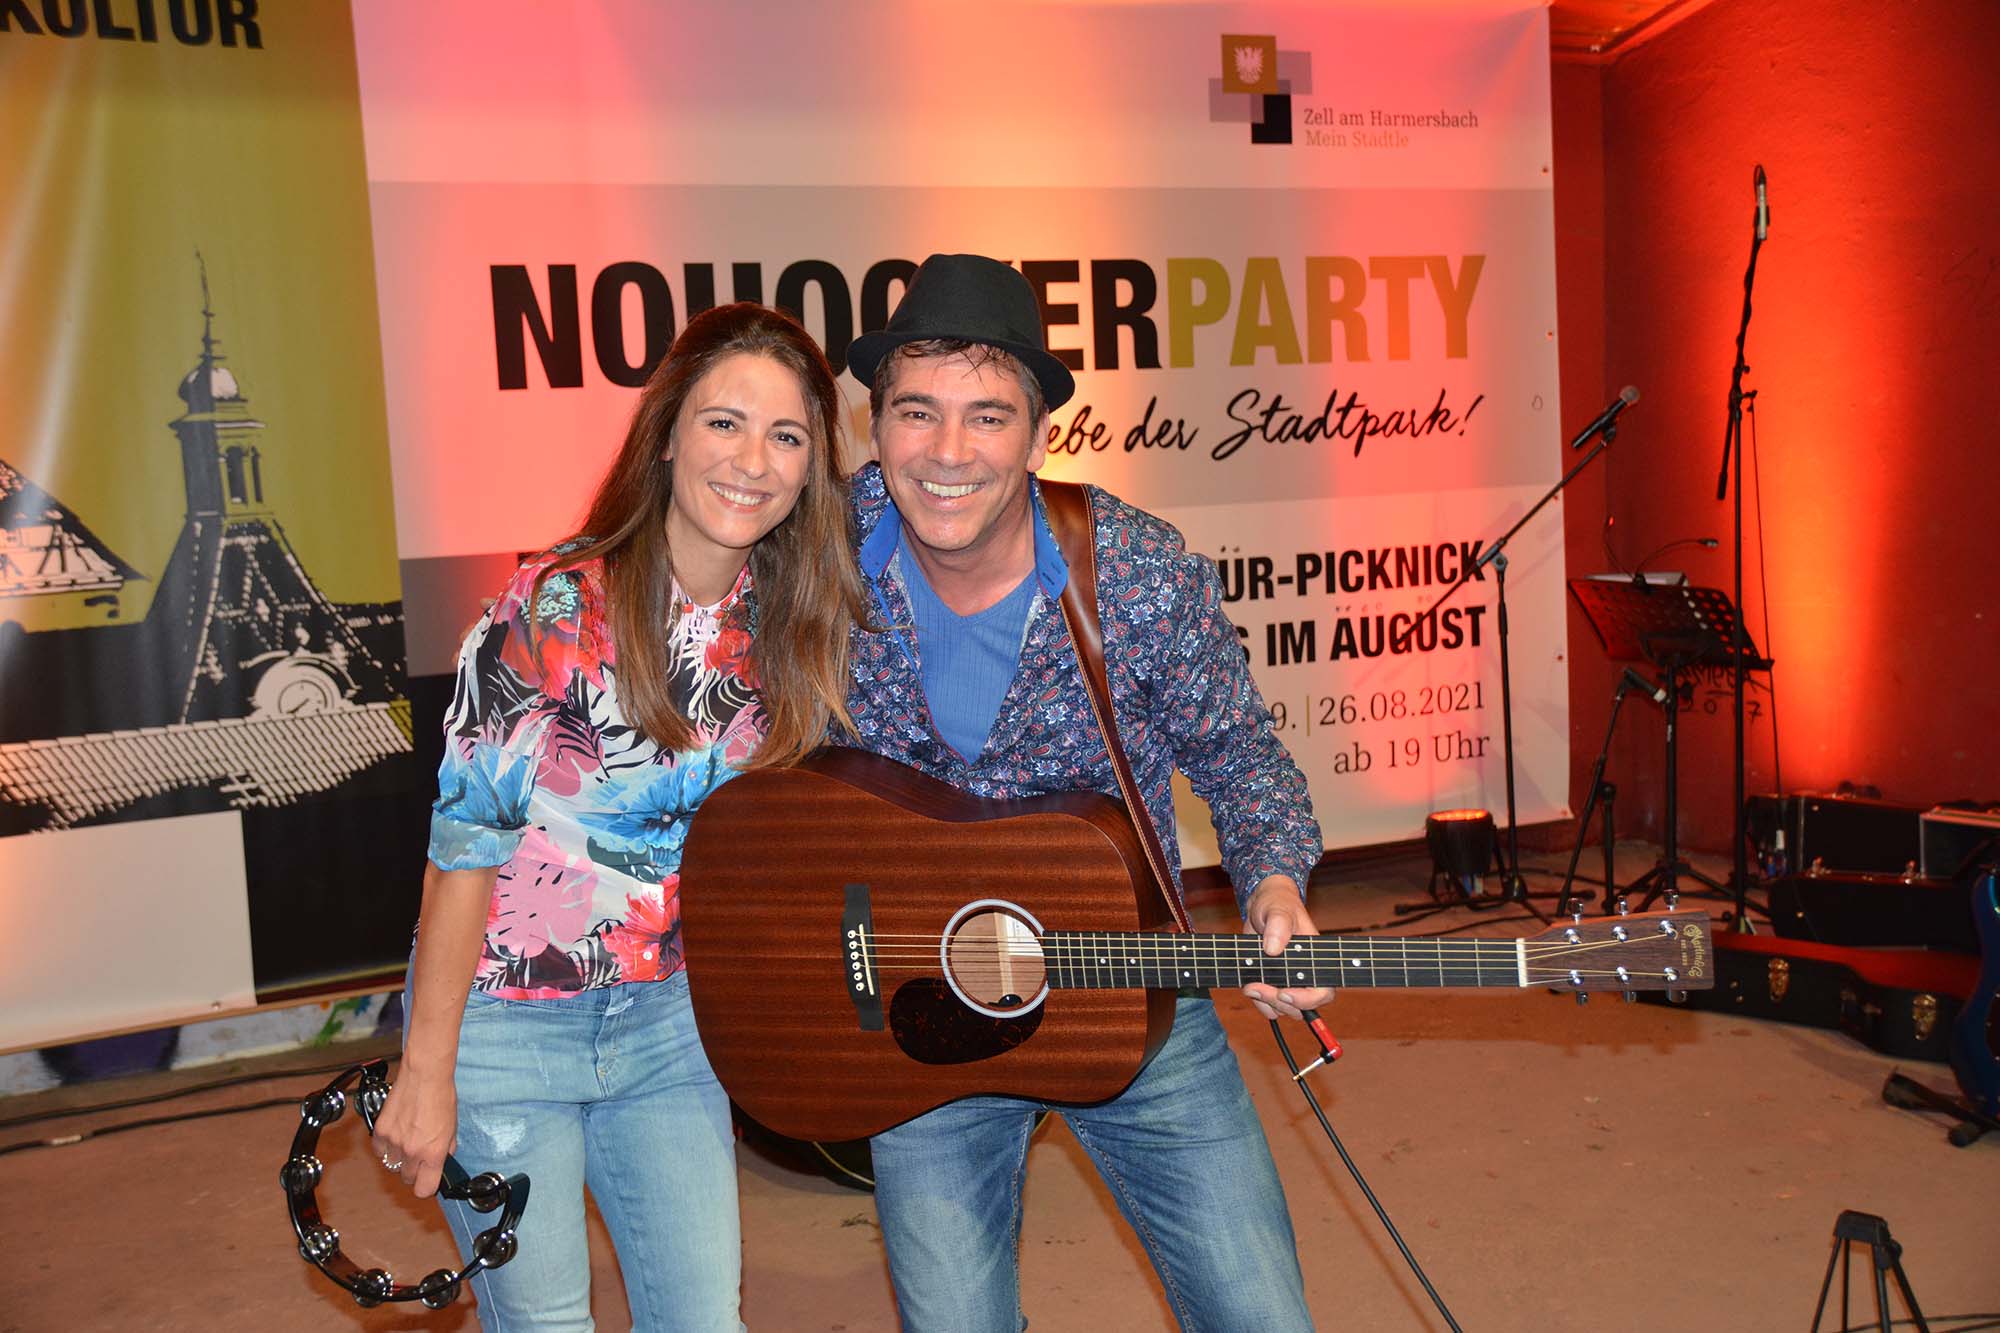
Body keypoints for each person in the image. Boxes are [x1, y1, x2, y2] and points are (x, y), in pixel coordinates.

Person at [836, 253, 1330, 1332]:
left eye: (987, 416)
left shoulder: (1136, 573)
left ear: (1037, 435)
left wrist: (1274, 883)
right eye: (917, 413)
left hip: (1128, 989)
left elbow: (1241, 755)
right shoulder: (815, 557)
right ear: (875, 426)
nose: (948, 452)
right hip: (918, 1006)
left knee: (1261, 1317)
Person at [371, 302, 868, 1331]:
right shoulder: (553, 605)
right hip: (508, 1024)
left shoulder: (796, 624)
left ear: (812, 467)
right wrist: (425, 1070)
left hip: (670, 1028)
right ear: (668, 434)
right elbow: (463, 853)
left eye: (786, 436)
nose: (753, 461)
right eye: (725, 422)